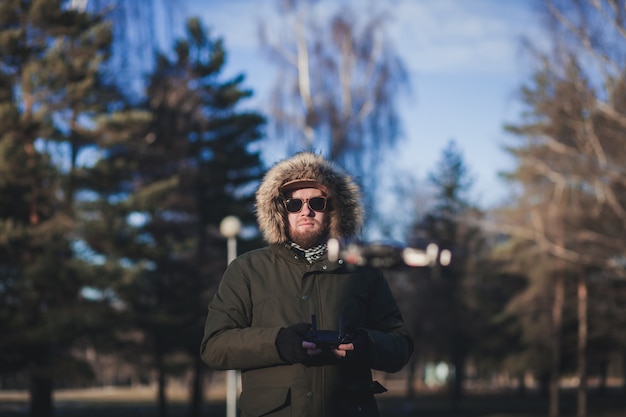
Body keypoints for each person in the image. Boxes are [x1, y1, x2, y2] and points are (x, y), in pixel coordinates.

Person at [200, 152, 413, 417]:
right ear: (280, 210)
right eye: (294, 204)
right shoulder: (247, 269)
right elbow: (214, 346)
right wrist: (278, 343)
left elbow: (400, 345)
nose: (306, 211)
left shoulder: (362, 270)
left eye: (317, 202)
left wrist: (365, 344)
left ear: (333, 210)